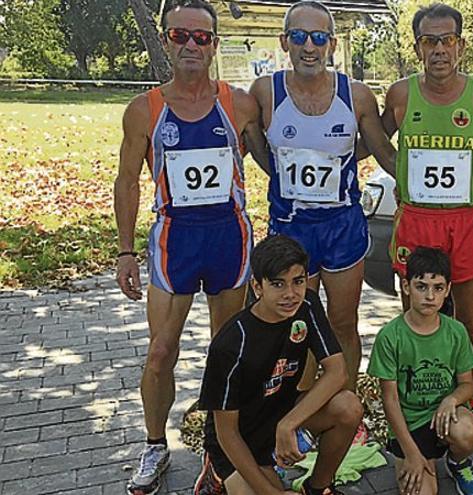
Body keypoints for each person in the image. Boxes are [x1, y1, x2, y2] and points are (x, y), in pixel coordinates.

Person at [113, 1, 268, 493]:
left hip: (229, 238)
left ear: (215, 44)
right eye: (181, 35)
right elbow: (127, 182)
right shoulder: (145, 109)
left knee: (227, 353)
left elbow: (272, 157)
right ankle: (155, 445)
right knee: (161, 351)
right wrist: (124, 252)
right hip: (174, 241)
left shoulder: (238, 103)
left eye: (202, 38)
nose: (191, 45)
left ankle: (220, 451)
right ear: (165, 40)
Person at [249, 0, 397, 398]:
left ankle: (344, 409)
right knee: (296, 325)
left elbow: (380, 150)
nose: (308, 47)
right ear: (285, 42)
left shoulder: (357, 95)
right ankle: (299, 408)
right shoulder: (265, 91)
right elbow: (249, 143)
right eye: (299, 37)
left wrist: (417, 186)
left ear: (331, 44)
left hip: (341, 228)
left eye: (318, 37)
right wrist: (278, 174)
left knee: (343, 322)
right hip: (291, 229)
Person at [380, 2, 473, 450]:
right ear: (418, 47)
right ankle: (408, 416)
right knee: (414, 320)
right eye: (430, 41)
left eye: (448, 40)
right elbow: (374, 132)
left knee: (468, 323)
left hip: (463, 223)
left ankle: (468, 411)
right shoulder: (401, 93)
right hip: (417, 222)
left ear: (461, 45)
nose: (440, 49)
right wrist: (398, 172)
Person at [195, 235, 363, 495]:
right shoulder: (230, 343)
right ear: (257, 286)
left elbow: (338, 371)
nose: (290, 294)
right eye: (277, 284)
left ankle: (318, 488)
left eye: (298, 281)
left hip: (280, 416)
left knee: (348, 406)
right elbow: (226, 433)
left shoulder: (306, 305)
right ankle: (216, 476)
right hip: (237, 440)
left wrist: (288, 424)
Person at [367, 247, 473, 495]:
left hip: (444, 419)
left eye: (438, 288)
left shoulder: (456, 331)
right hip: (407, 426)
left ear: (448, 290)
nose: (430, 296)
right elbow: (390, 400)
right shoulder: (390, 336)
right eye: (421, 286)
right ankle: (416, 458)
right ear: (407, 287)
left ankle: (457, 461)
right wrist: (411, 453)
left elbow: (467, 384)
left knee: (468, 432)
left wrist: (451, 399)